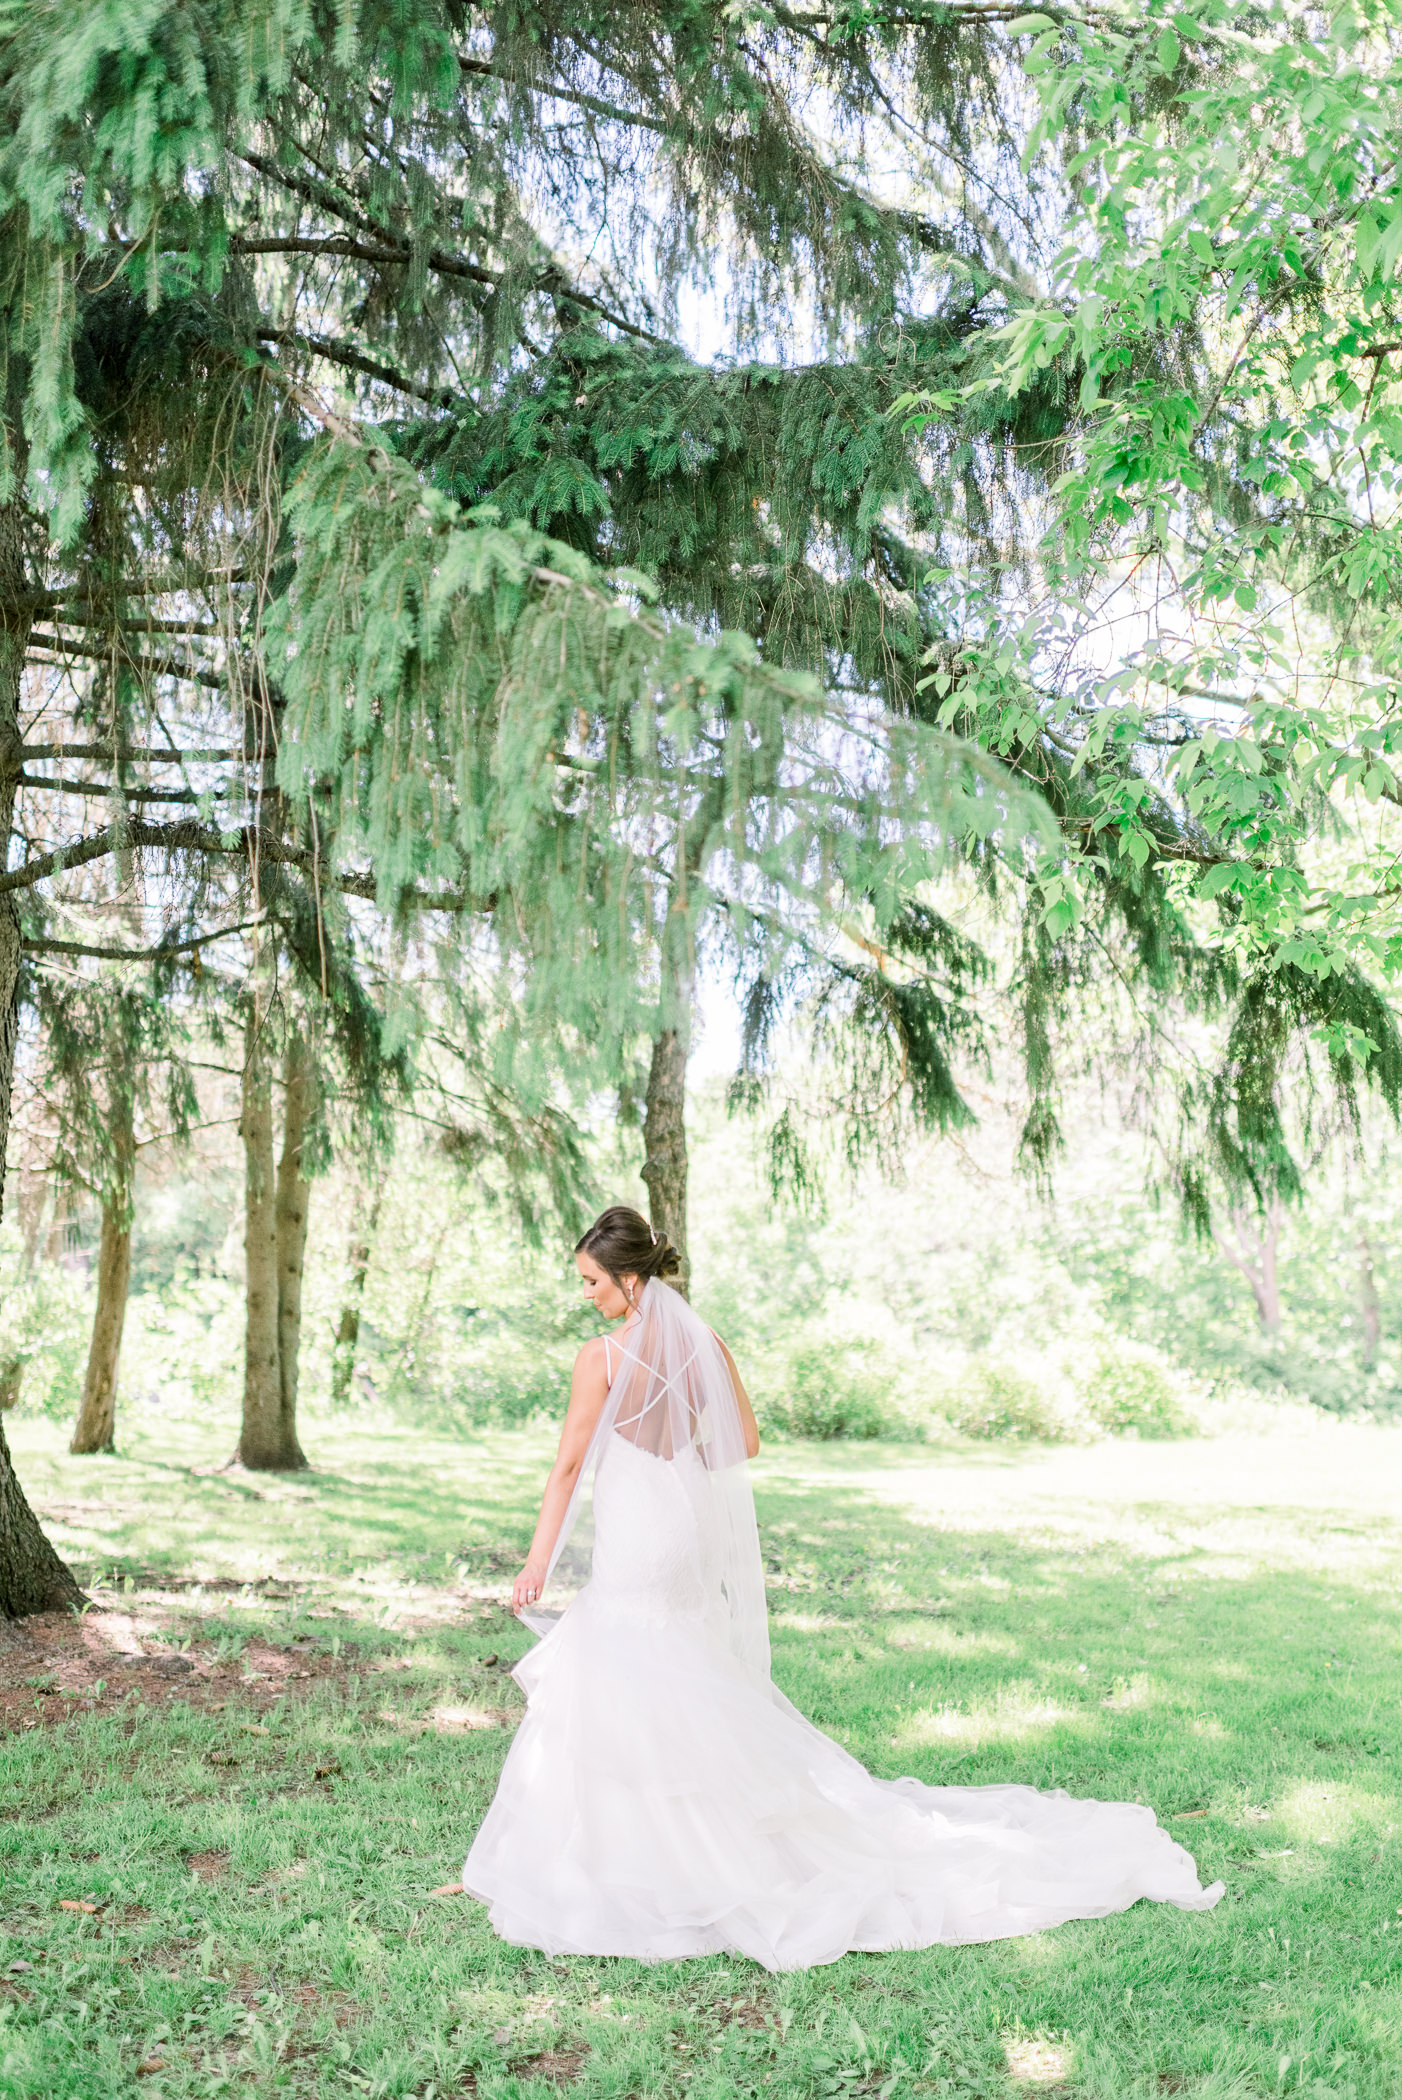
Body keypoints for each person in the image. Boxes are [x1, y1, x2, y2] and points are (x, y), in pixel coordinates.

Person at [463, 1205, 1222, 1971]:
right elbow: (745, 1443)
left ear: (629, 1280)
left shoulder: (602, 1357)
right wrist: (676, 1448)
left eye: (592, 1281)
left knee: (625, 1653)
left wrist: (536, 1565)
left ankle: (634, 1855)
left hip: (638, 1528)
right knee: (678, 1657)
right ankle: (699, 1829)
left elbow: (566, 1467)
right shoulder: (704, 1344)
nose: (586, 1294)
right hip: (684, 1519)